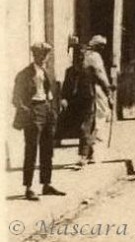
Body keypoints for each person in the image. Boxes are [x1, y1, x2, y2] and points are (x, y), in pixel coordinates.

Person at [12, 42, 65, 200]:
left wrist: (52, 109)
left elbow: (51, 91)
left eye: (46, 55)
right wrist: (26, 110)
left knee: (48, 149)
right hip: (33, 111)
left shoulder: (46, 71)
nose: (43, 58)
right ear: (34, 55)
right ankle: (28, 187)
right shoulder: (24, 74)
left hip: (47, 110)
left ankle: (46, 184)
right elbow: (16, 99)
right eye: (41, 55)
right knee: (31, 150)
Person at [60, 41, 111, 167]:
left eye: (81, 57)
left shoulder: (90, 70)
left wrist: (109, 95)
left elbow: (102, 82)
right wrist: (64, 99)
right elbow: (66, 87)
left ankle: (82, 157)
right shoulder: (69, 71)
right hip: (75, 104)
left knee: (85, 128)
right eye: (77, 58)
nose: (79, 60)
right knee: (83, 129)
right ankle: (90, 153)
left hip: (89, 102)